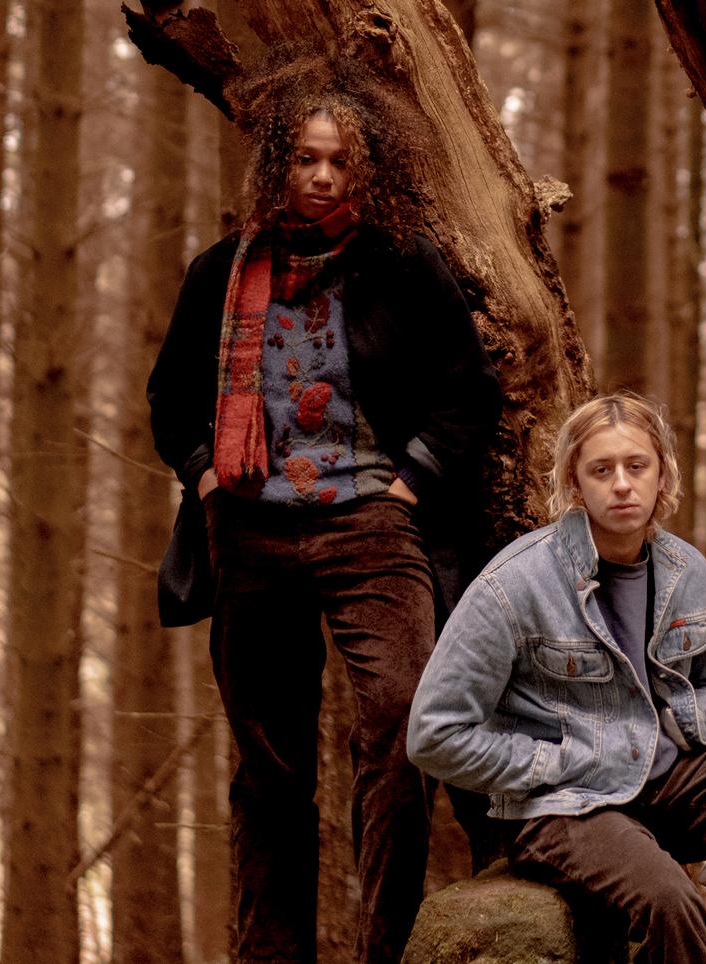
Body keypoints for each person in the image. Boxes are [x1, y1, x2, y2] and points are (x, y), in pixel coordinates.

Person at [147, 50, 502, 964]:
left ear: (368, 166)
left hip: (371, 525)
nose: (323, 176)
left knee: (404, 726)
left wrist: (410, 482)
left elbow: (467, 391)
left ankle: (386, 948)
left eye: (341, 160)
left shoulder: (403, 264)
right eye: (306, 158)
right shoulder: (219, 273)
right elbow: (170, 400)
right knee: (270, 766)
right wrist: (206, 473)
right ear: (278, 161)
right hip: (249, 532)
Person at [407, 393, 706, 962]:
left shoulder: (687, 571)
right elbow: (434, 734)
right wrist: (551, 763)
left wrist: (683, 724)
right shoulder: (514, 584)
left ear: (662, 474)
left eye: (637, 466)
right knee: (669, 899)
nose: (621, 485)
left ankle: (704, 941)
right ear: (574, 482)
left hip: (666, 782)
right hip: (565, 806)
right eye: (601, 469)